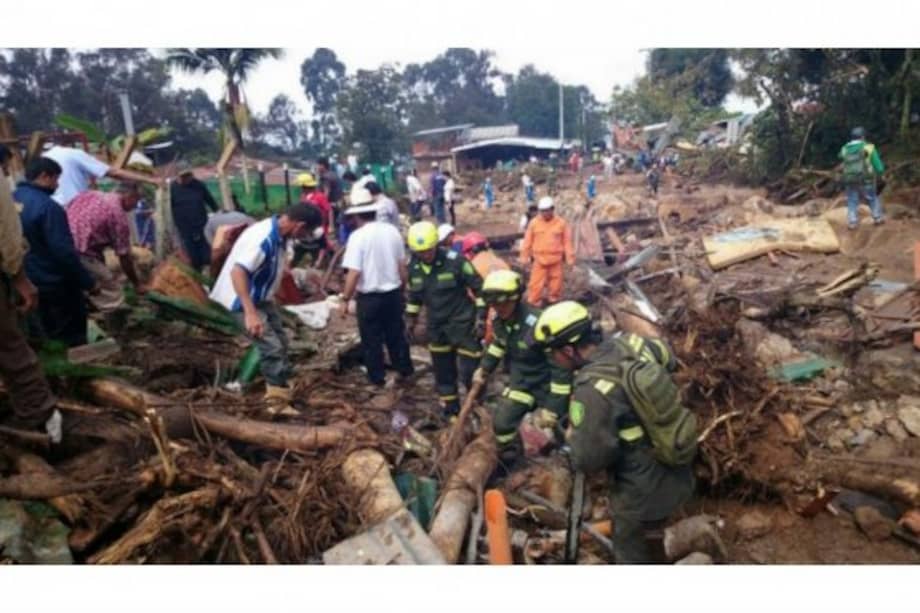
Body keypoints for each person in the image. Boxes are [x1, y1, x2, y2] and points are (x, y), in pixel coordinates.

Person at [532, 301, 695, 563]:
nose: (552, 359)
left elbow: (589, 459)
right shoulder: (633, 342)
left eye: (553, 353)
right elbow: (670, 359)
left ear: (568, 350)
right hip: (679, 462)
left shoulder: (592, 388)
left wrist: (571, 438)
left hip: (641, 491)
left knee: (632, 553)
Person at [210, 203, 322, 415]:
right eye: (305, 232)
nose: (304, 236)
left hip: (260, 297)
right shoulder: (264, 239)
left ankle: (280, 383)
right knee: (271, 346)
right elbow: (238, 272)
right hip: (240, 299)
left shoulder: (279, 234)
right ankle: (276, 403)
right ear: (299, 226)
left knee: (281, 339)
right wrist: (250, 313)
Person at [472, 270, 572, 461]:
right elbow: (498, 346)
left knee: (562, 426)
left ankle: (567, 458)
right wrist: (484, 368)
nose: (499, 308)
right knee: (502, 423)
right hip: (522, 381)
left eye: (503, 303)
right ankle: (510, 455)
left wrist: (553, 407)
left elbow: (561, 369)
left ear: (516, 298)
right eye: (494, 304)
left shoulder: (539, 324)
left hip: (547, 384)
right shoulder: (499, 322)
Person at [0, 146, 62, 442]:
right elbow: (8, 234)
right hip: (38, 277)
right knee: (11, 346)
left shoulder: (25, 198)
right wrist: (20, 277)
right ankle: (40, 417)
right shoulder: (44, 206)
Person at [405, 221, 486, 416]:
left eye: (429, 250)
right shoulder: (414, 268)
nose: (426, 255)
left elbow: (480, 289)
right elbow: (414, 297)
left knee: (469, 372)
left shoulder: (456, 261)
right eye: (421, 252)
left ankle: (477, 409)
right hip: (437, 328)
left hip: (463, 325)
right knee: (443, 373)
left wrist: (481, 319)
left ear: (437, 245)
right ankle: (451, 411)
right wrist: (411, 319)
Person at [15, 157, 95, 347]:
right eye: (56, 179)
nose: (57, 185)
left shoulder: (12, 200)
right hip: (55, 284)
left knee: (42, 335)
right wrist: (87, 282)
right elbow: (63, 252)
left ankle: (53, 371)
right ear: (44, 176)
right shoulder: (48, 207)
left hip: (25, 283)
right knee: (69, 336)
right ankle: (77, 371)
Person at [339, 187, 414, 387]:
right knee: (396, 335)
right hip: (393, 294)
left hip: (369, 298)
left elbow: (353, 273)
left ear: (355, 216)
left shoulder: (357, 237)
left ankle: (377, 377)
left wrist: (345, 299)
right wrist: (403, 289)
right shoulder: (392, 232)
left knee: (371, 339)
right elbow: (401, 266)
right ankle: (404, 370)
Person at [67, 182, 147, 312]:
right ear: (130, 196)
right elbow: (124, 257)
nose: (134, 206)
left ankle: (89, 307)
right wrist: (137, 284)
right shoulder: (118, 216)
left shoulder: (88, 194)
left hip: (62, 246)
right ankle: (115, 326)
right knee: (112, 291)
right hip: (83, 254)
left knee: (85, 284)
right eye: (136, 201)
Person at [42, 144, 162, 208]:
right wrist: (149, 179)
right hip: (75, 209)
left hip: (52, 208)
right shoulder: (75, 154)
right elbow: (113, 172)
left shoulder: (43, 158)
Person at [520, 196, 574, 307]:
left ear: (552, 209)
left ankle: (553, 303)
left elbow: (567, 242)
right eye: (542, 211)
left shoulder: (561, 223)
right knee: (535, 285)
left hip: (556, 261)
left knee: (555, 285)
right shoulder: (534, 223)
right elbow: (527, 242)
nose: (545, 213)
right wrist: (524, 257)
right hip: (539, 260)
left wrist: (570, 259)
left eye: (547, 210)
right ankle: (534, 303)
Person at [171, 162, 219, 271]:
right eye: (183, 176)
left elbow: (210, 201)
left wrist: (219, 213)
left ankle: (212, 284)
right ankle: (198, 283)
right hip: (184, 232)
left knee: (209, 258)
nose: (186, 178)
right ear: (177, 176)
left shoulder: (199, 185)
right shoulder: (172, 189)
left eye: (188, 175)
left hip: (203, 228)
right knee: (193, 262)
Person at [839, 126, 885, 230]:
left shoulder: (845, 149)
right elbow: (878, 165)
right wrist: (881, 173)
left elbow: (840, 156)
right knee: (872, 198)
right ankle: (877, 218)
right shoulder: (869, 147)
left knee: (852, 201)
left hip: (850, 179)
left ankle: (852, 222)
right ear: (863, 137)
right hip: (866, 179)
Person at [295, 172, 335, 268]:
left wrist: (331, 225)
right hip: (309, 225)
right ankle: (327, 253)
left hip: (320, 224)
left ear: (305, 186)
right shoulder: (303, 197)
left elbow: (329, 210)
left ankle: (319, 262)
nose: (301, 189)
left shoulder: (320, 196)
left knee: (321, 242)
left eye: (302, 186)